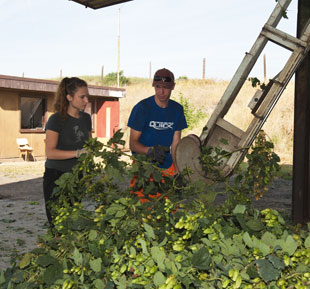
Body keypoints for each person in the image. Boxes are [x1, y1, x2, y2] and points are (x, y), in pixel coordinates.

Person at [127, 68, 188, 202]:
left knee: (168, 209)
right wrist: (149, 151)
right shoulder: (142, 108)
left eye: (165, 87)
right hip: (144, 167)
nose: (161, 92)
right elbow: (133, 143)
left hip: (166, 166)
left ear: (173, 87)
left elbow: (176, 143)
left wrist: (178, 171)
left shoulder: (177, 110)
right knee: (142, 209)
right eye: (158, 87)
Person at [43, 77, 92, 226]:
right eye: (82, 97)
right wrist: (77, 153)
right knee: (58, 224)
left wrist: (88, 175)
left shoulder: (86, 119)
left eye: (87, 96)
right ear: (69, 97)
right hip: (56, 177)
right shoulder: (56, 120)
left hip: (77, 177)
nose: (86, 100)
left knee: (72, 223)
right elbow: (50, 152)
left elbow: (90, 148)